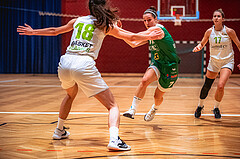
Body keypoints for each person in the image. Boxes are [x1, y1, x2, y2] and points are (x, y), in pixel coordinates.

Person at [17, 0, 162, 151]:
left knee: (70, 94)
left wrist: (33, 31)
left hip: (65, 62)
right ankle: (114, 140)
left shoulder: (77, 20)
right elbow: (132, 38)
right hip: (83, 64)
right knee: (113, 106)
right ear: (105, 7)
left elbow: (55, 30)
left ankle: (59, 130)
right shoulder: (104, 25)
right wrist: (152, 36)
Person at [122, 6, 180, 121]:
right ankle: (132, 110)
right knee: (144, 80)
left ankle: (154, 108)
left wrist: (117, 31)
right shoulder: (150, 34)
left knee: (157, 96)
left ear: (156, 20)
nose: (146, 23)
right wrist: (120, 32)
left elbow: (133, 37)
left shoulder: (158, 29)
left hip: (169, 67)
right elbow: (133, 43)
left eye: (149, 20)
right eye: (144, 20)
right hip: (157, 63)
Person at [193, 9, 240, 119]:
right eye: (214, 16)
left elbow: (238, 45)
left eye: (218, 16)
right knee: (206, 86)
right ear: (212, 19)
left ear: (223, 19)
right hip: (214, 62)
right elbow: (202, 43)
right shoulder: (209, 32)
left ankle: (216, 108)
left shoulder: (229, 31)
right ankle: (200, 106)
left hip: (227, 61)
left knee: (220, 86)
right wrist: (198, 47)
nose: (216, 18)